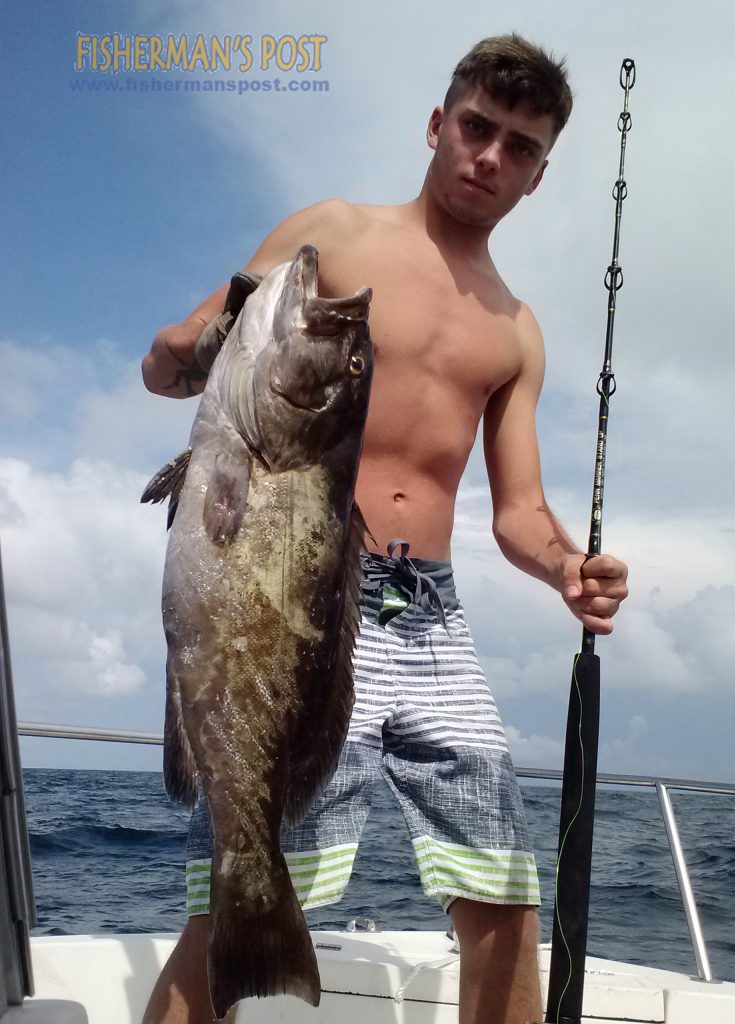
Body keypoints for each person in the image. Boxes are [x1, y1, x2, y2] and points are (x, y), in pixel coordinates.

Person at [140, 32, 629, 1024]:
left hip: (431, 617)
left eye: (519, 147)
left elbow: (521, 513)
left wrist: (571, 569)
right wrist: (213, 331)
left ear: (540, 175)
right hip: (297, 592)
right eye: (478, 128)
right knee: (243, 881)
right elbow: (169, 363)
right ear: (437, 124)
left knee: (504, 894)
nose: (490, 156)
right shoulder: (335, 232)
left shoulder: (516, 328)